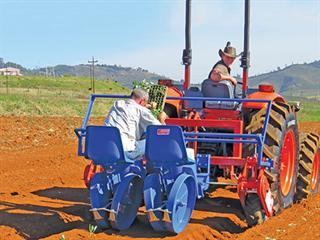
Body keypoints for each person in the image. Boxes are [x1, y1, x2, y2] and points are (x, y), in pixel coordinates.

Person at [105, 88, 167, 160]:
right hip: (126, 152)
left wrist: (145, 106)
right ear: (142, 101)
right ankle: (151, 169)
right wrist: (162, 120)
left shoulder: (117, 104)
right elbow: (160, 130)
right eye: (145, 102)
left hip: (107, 149)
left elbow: (132, 105)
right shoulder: (141, 110)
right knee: (155, 139)